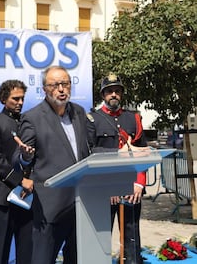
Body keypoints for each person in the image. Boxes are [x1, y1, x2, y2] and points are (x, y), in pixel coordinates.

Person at [13, 66, 90, 264]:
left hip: (81, 203)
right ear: (45, 89)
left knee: (77, 258)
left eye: (65, 83)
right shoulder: (33, 118)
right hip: (51, 205)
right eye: (55, 85)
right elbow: (21, 159)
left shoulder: (79, 113)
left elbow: (88, 151)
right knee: (43, 259)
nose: (61, 89)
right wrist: (25, 156)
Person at [86, 73, 148, 264]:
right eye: (109, 91)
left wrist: (139, 183)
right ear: (103, 94)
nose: (114, 94)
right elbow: (89, 154)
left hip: (130, 188)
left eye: (117, 91)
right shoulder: (92, 119)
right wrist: (107, 186)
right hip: (104, 190)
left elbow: (142, 153)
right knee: (101, 237)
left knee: (131, 237)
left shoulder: (133, 118)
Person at [0, 79, 33, 264]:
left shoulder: (28, 123)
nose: (20, 102)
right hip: (3, 197)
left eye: (22, 99)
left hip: (27, 197)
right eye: (15, 99)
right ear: (4, 98)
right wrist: (21, 181)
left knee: (27, 250)